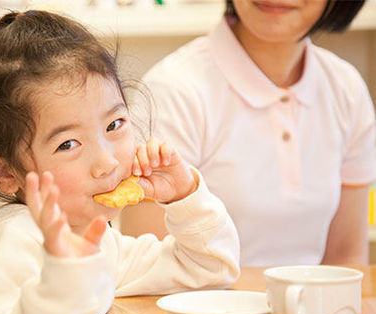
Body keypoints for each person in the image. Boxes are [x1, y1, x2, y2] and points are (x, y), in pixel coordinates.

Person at [0, 10, 240, 314]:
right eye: (68, 144)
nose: (106, 162)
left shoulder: (97, 240)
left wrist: (184, 196)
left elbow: (209, 271)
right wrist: (64, 279)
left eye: (114, 125)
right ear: (1, 170)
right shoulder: (14, 244)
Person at [121, 0, 376, 266]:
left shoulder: (347, 89)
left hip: (314, 307)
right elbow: (153, 276)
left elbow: (346, 261)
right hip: (200, 307)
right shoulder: (172, 90)